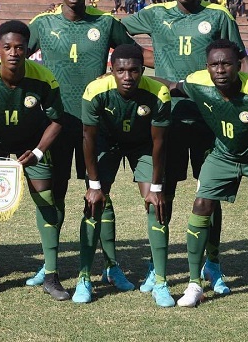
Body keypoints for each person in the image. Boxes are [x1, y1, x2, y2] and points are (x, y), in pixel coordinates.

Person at [121, 0, 248, 297]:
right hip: (168, 119)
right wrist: (146, 60)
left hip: (211, 121)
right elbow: (117, 31)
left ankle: (213, 263)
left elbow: (241, 59)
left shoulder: (218, 16)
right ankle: (157, 265)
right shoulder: (156, 14)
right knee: (163, 191)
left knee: (211, 194)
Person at [25, 0, 143, 289]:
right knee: (54, 194)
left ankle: (112, 265)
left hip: (97, 125)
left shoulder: (105, 23)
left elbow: (133, 54)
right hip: (56, 125)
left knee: (100, 194)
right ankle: (50, 266)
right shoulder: (43, 24)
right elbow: (16, 56)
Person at [170, 40, 248, 316]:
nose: (220, 70)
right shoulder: (197, 82)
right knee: (201, 205)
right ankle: (194, 284)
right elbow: (172, 85)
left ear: (238, 65)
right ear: (207, 67)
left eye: (226, 63)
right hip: (223, 156)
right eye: (214, 64)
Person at [0, 20, 67, 300]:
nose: (13, 52)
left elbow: (58, 120)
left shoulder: (43, 79)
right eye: (7, 47)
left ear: (27, 51)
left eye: (19, 47)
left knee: (45, 198)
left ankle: (52, 275)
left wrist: (38, 152)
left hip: (31, 141)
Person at [75, 44, 172, 306]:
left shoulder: (158, 93)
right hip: (106, 142)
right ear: (111, 71)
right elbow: (88, 138)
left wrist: (157, 187)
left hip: (142, 146)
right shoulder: (96, 92)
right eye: (121, 71)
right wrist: (94, 185)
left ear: (142, 70)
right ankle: (89, 275)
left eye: (133, 71)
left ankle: (160, 280)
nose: (127, 77)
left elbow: (159, 144)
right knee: (95, 203)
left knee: (155, 204)